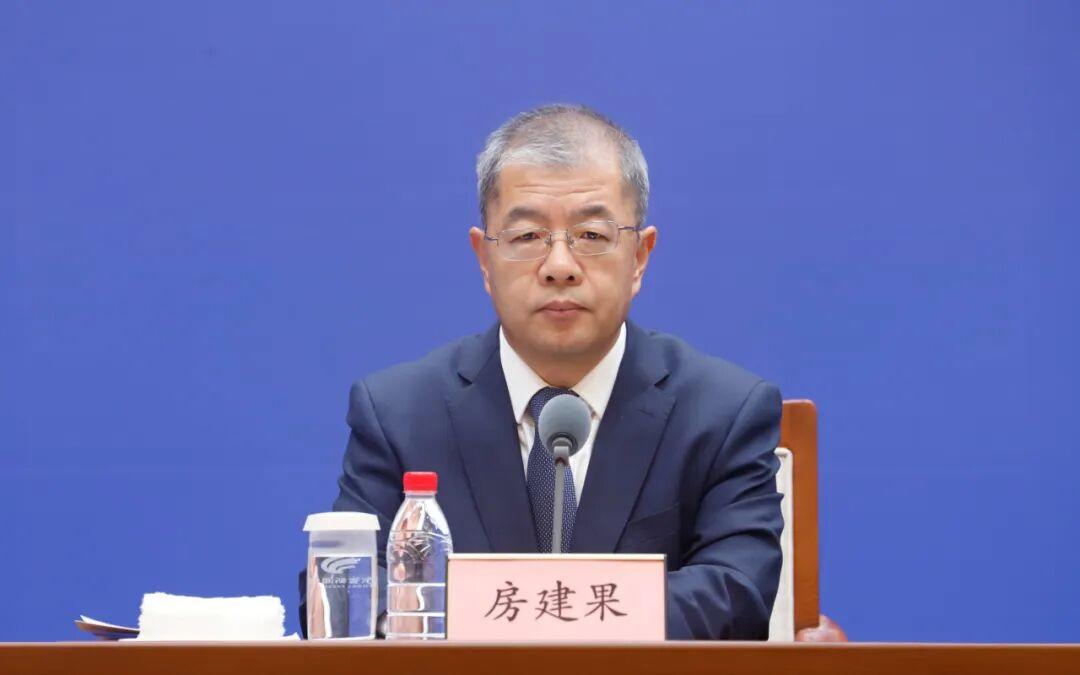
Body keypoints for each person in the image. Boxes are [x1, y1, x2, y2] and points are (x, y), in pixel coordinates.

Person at [315, 104, 783, 640]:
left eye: (592, 236)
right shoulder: (399, 414)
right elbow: (343, 591)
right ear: (484, 258)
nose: (560, 266)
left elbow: (737, 593)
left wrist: (518, 616)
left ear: (640, 256)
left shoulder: (723, 413)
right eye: (527, 237)